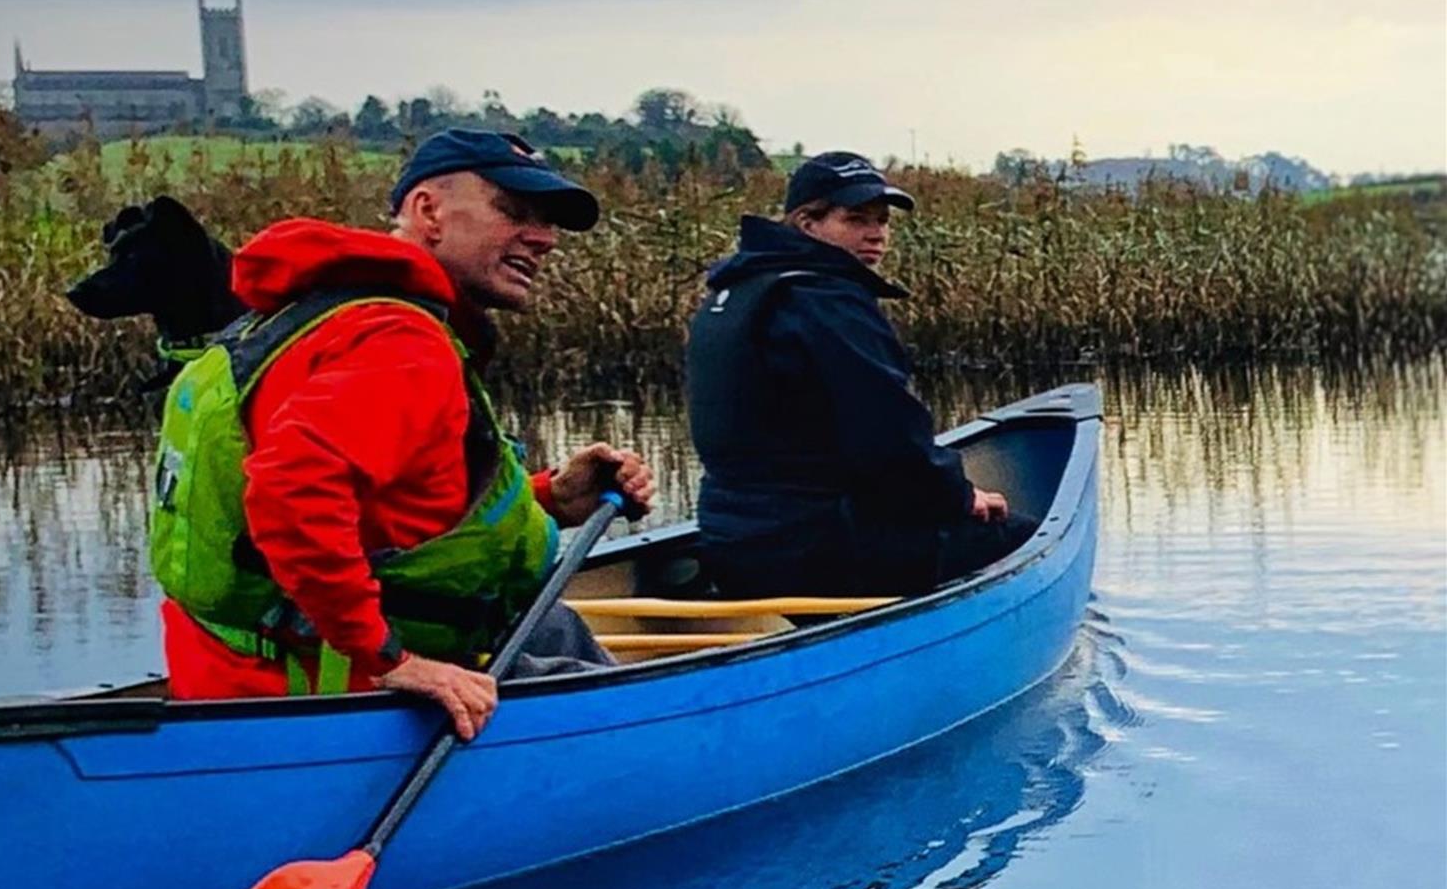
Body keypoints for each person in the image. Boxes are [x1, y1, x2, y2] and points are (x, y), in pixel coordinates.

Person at [152, 129, 655, 739]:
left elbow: (388, 513)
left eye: (548, 223)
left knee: (555, 627)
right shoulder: (402, 341)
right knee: (632, 711)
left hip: (231, 682)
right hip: (322, 701)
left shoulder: (321, 313)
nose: (544, 238)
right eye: (515, 211)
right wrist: (390, 659)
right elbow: (291, 488)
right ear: (428, 211)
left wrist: (549, 497)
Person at [685, 151, 1032, 599]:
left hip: (729, 543)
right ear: (808, 223)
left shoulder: (732, 293)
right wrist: (962, 497)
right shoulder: (827, 301)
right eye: (856, 219)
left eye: (883, 220)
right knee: (1022, 538)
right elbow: (891, 440)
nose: (876, 233)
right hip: (817, 552)